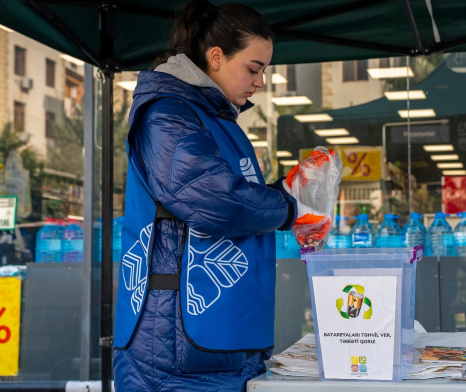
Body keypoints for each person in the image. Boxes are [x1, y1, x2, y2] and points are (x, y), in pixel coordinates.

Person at [112, 1, 328, 391]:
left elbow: (233, 196)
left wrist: (287, 192)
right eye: (253, 67)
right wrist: (289, 209)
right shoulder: (167, 114)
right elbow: (214, 200)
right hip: (174, 348)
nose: (260, 81)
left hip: (216, 338)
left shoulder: (215, 120)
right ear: (215, 57)